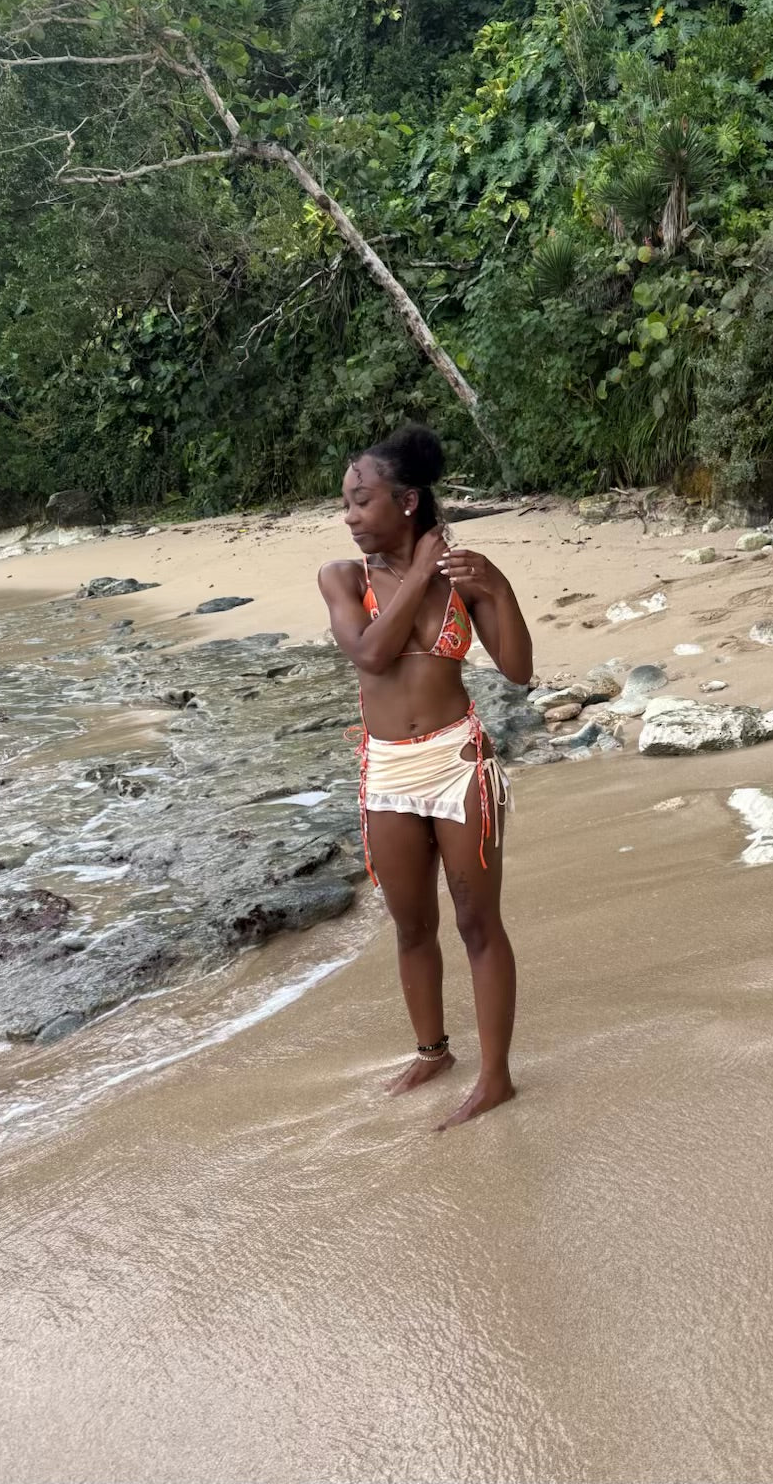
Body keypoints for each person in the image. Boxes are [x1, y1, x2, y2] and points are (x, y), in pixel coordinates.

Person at [318, 425, 532, 1130]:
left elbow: (518, 668)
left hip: (457, 762)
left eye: (361, 501)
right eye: (347, 504)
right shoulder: (344, 579)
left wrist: (496, 589)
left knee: (477, 922)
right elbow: (371, 655)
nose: (348, 516)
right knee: (412, 926)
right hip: (387, 771)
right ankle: (433, 1051)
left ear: (406, 502)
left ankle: (496, 1076)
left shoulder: (464, 577)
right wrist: (418, 573)